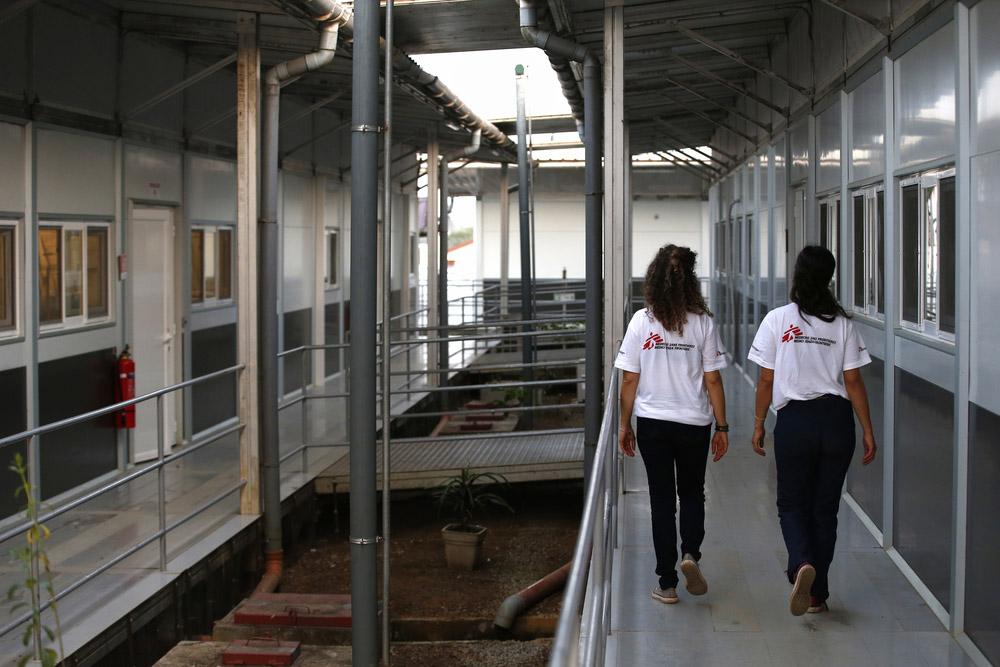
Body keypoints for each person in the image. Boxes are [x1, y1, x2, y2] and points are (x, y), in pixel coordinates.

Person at [748, 245, 877, 616]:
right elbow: (852, 381)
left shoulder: (777, 320)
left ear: (797, 275)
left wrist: (759, 423)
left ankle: (801, 563)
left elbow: (766, 378)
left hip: (795, 421)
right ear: (829, 278)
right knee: (825, 510)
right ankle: (817, 594)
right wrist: (867, 429)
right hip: (837, 422)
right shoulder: (843, 324)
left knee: (791, 503)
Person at [616, 244, 729, 605]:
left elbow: (629, 380)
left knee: (662, 500)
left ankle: (666, 583)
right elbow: (712, 380)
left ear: (654, 280)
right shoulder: (703, 323)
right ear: (690, 282)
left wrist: (624, 424)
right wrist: (722, 427)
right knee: (693, 492)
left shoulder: (641, 321)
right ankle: (690, 554)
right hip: (694, 423)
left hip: (652, 423)